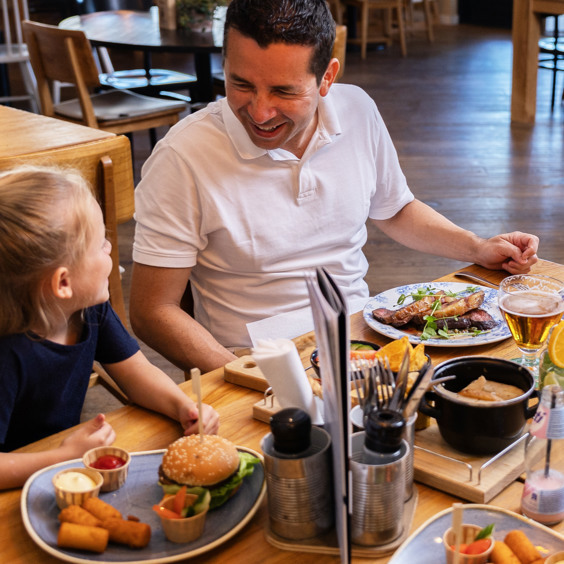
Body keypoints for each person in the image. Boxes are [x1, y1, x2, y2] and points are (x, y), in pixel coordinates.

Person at [130, 0, 539, 374]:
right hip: (251, 357)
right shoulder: (181, 157)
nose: (259, 111)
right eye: (241, 84)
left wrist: (477, 247)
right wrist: (256, 379)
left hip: (365, 333)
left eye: (283, 91)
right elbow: (153, 311)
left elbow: (395, 209)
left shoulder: (357, 109)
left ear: (327, 77)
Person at [0, 166, 219, 490]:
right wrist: (61, 457)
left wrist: (181, 405)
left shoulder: (88, 310)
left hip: (59, 471)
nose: (110, 249)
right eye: (100, 243)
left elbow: (136, 374)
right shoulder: (7, 354)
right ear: (63, 282)